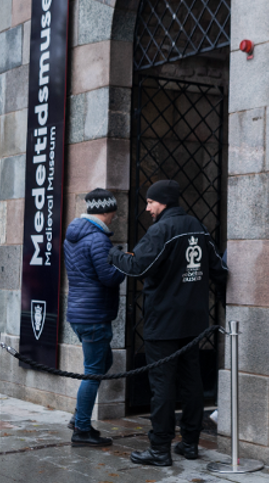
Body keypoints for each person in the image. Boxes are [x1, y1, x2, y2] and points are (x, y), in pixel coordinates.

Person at [108, 179, 227, 466]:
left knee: (161, 386)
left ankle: (159, 449)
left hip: (164, 322)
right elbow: (219, 269)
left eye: (150, 202)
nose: (147, 207)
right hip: (194, 321)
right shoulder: (197, 227)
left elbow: (137, 267)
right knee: (191, 382)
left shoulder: (161, 230)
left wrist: (113, 253)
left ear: (163, 202)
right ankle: (189, 443)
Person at [63, 189, 126, 447]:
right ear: (105, 211)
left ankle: (79, 417)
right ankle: (81, 429)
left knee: (103, 362)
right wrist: (123, 262)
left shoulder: (74, 235)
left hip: (79, 312)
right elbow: (108, 277)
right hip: (94, 314)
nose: (114, 219)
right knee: (93, 371)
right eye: (113, 213)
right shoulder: (98, 239)